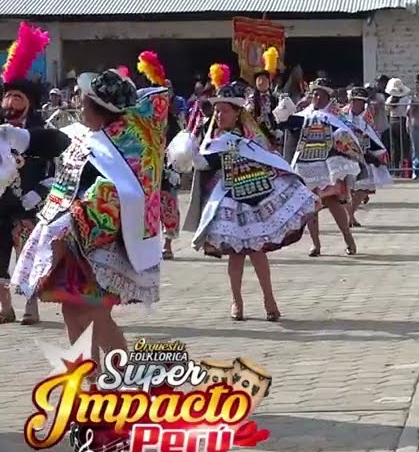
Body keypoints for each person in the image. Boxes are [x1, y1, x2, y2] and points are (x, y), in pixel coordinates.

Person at [13, 68, 169, 361]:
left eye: (83, 102)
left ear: (98, 110)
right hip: (73, 243)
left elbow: (117, 195)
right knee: (72, 310)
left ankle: (122, 378)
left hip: (101, 244)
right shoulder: (90, 138)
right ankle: (91, 379)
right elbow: (57, 153)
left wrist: (73, 219)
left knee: (95, 312)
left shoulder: (121, 148)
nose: (78, 106)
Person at [169, 78, 315, 321]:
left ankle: (269, 299)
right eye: (217, 110)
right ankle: (237, 303)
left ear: (237, 113)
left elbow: (268, 158)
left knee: (257, 251)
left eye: (224, 110)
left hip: (254, 197)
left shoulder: (252, 136)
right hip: (228, 199)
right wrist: (189, 154)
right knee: (236, 255)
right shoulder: (212, 137)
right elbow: (206, 163)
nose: (219, 114)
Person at [1, 23, 71, 325]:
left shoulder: (44, 135)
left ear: (28, 102)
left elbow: (59, 171)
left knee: (30, 257)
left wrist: (39, 194)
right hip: (2, 204)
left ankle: (31, 305)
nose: (11, 104)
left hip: (31, 205)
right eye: (8, 98)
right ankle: (5, 307)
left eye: (17, 98)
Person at [277, 77, 363, 257]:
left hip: (327, 164)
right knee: (310, 204)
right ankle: (315, 245)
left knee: (332, 201)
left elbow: (346, 135)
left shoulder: (336, 115)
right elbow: (289, 127)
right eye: (313, 93)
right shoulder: (305, 113)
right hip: (305, 163)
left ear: (326, 95)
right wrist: (284, 111)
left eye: (318, 93)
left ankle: (348, 237)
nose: (314, 96)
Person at [134, 52, 184, 262]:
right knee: (144, 205)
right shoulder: (142, 116)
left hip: (167, 161)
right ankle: (145, 244)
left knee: (168, 202)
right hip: (146, 163)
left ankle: (168, 243)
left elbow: (183, 135)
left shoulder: (175, 115)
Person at [342, 86, 394, 227]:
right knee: (348, 189)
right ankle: (349, 217)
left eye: (361, 101)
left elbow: (372, 134)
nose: (358, 104)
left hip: (364, 154)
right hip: (345, 154)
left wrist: (376, 154)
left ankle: (350, 215)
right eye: (356, 101)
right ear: (350, 100)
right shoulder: (342, 115)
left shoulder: (366, 116)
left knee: (365, 188)